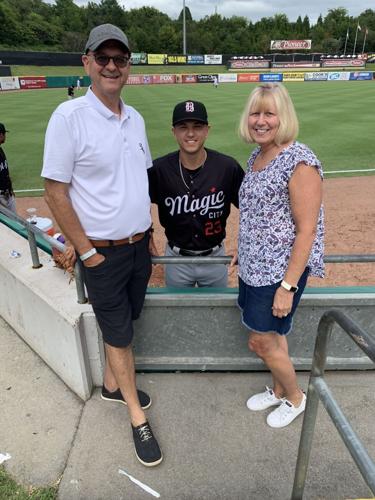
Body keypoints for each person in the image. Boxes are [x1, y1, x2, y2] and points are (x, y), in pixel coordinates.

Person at [41, 23, 162, 467]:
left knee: (127, 321)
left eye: (120, 59)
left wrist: (151, 230)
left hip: (137, 247)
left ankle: (113, 387)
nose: (112, 66)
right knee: (119, 334)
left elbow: (139, 180)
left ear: (128, 66)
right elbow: (55, 191)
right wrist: (87, 252)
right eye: (103, 58)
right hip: (102, 253)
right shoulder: (68, 117)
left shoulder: (136, 118)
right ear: (87, 62)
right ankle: (136, 418)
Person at [235, 83, 324, 428]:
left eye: (269, 113)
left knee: (261, 340)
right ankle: (278, 389)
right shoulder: (257, 156)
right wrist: (241, 250)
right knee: (274, 336)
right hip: (254, 267)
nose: (260, 121)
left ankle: (296, 397)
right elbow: (259, 215)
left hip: (279, 273)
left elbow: (307, 231)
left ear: (282, 117)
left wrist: (287, 286)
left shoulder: (299, 161)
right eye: (255, 113)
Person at [148, 100, 244, 287]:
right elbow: (137, 203)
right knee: (179, 313)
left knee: (216, 311)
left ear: (207, 130)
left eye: (197, 127)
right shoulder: (159, 169)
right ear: (173, 131)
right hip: (176, 260)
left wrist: (246, 246)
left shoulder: (227, 167)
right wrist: (148, 235)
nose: (190, 133)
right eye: (183, 127)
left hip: (215, 259)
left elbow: (252, 208)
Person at [0, 123, 16, 213]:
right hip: (1, 197)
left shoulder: (0, 150)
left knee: (15, 223)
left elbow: (5, 172)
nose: (5, 136)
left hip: (8, 194)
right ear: (1, 135)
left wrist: (11, 189)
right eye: (4, 134)